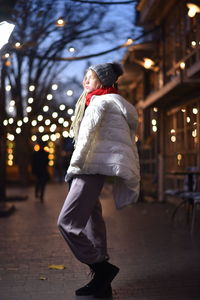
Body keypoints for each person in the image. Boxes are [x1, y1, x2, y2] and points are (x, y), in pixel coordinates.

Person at [57, 62, 140, 298]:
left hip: (89, 167)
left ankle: (102, 270)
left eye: (90, 77)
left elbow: (85, 140)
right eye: (85, 76)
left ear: (102, 81)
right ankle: (103, 286)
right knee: (94, 223)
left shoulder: (100, 103)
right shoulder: (109, 101)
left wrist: (75, 167)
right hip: (97, 167)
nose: (85, 81)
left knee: (66, 223)